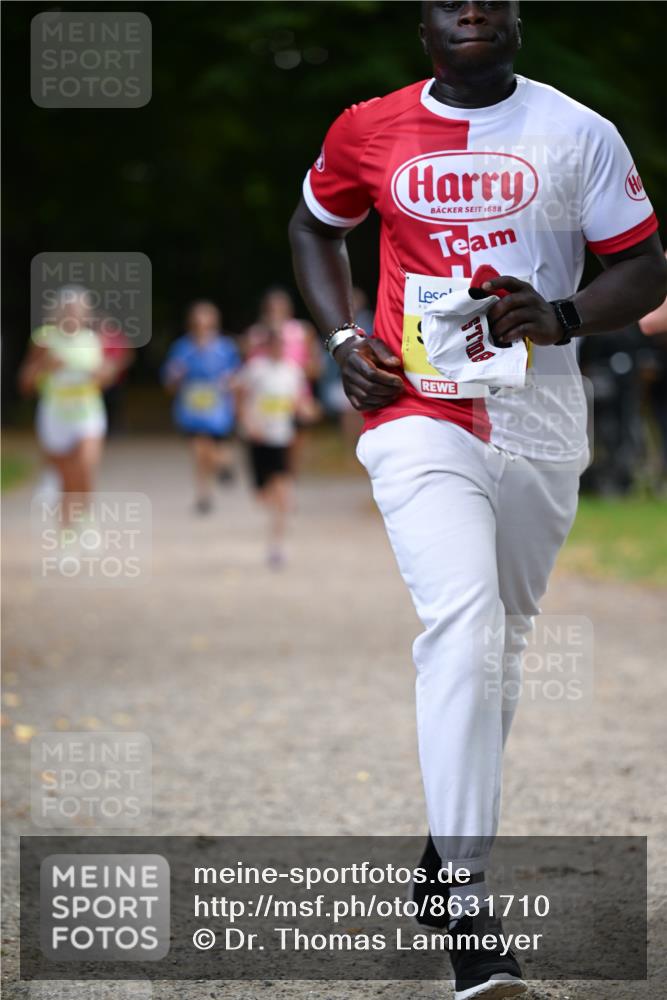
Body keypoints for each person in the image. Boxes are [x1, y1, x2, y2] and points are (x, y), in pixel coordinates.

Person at [289, 3, 667, 997]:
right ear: (424, 25)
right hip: (414, 410)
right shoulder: (365, 127)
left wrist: (566, 312)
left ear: (515, 20)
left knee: (499, 636)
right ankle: (464, 902)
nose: (472, 11)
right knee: (459, 625)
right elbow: (313, 227)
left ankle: (437, 856)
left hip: (539, 410)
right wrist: (339, 341)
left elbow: (644, 263)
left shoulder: (578, 132)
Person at [19, 285, 113, 527]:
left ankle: (87, 517)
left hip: (88, 414)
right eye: (68, 309)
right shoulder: (44, 339)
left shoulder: (93, 339)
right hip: (55, 415)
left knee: (85, 466)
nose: (73, 313)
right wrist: (46, 367)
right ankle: (67, 531)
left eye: (78, 309)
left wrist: (99, 374)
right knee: (67, 479)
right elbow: (25, 383)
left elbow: (105, 377)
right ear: (58, 311)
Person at [235, 328, 314, 568]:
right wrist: (247, 421)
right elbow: (238, 392)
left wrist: (307, 410)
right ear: (267, 347)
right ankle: (274, 503)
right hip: (258, 439)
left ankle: (276, 545)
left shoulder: (292, 371)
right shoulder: (255, 369)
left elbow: (299, 401)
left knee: (282, 490)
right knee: (260, 495)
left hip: (281, 437)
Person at [162, 300, 241, 514]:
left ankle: (223, 465)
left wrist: (230, 385)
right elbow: (170, 379)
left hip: (217, 409)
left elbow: (237, 375)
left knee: (213, 449)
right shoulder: (182, 347)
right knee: (198, 450)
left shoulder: (225, 347)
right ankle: (203, 494)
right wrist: (175, 376)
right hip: (191, 408)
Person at [243, 287, 323, 472]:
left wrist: (295, 373)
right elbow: (248, 369)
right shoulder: (256, 334)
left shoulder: (302, 331)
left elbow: (315, 367)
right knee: (270, 446)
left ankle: (288, 479)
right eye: (272, 308)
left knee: (295, 444)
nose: (276, 312)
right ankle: (275, 480)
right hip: (267, 399)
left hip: (296, 396)